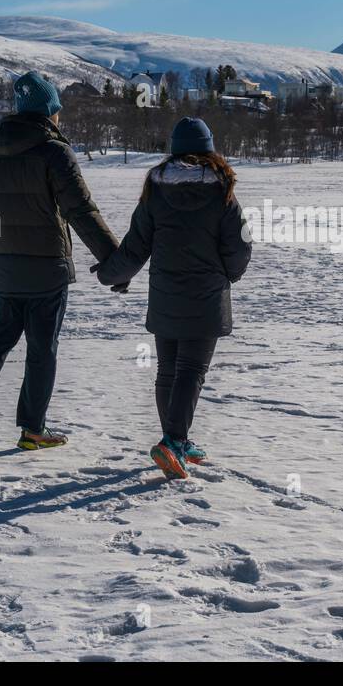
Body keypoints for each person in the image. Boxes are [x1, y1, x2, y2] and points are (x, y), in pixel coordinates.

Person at [0, 71, 127, 454]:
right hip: (46, 266)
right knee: (42, 348)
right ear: (48, 111)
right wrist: (115, 261)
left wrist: (0, 253)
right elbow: (80, 210)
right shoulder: (53, 151)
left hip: (7, 266)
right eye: (57, 109)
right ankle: (33, 428)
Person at [95, 117, 251, 479]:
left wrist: (110, 274)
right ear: (210, 149)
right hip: (206, 296)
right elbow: (239, 246)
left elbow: (136, 246)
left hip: (165, 295)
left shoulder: (156, 191)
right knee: (192, 371)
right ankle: (174, 442)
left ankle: (175, 437)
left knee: (169, 371)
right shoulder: (222, 192)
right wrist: (229, 274)